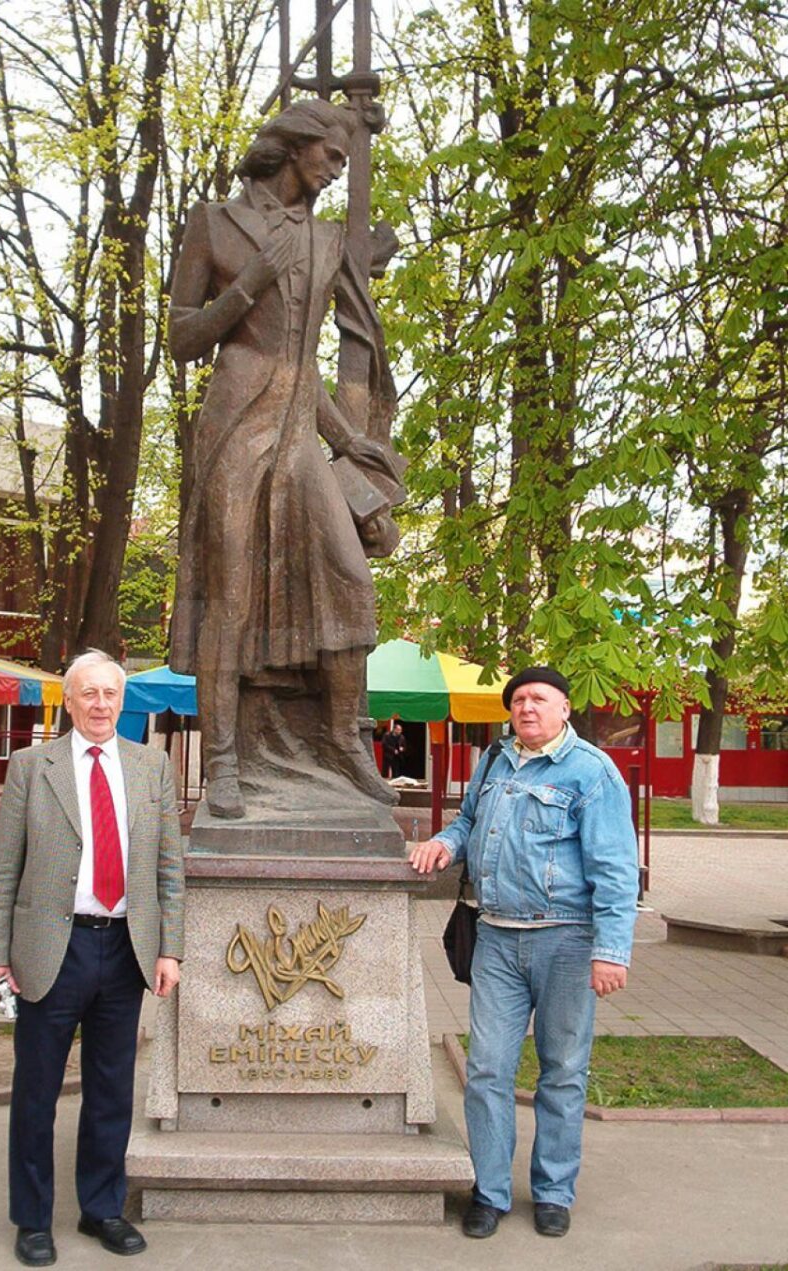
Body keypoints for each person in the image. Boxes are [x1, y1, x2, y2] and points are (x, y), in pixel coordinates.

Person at [167, 98, 400, 819]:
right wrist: (249, 284)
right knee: (231, 590)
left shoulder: (327, 240)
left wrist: (345, 438)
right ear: (295, 147)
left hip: (302, 428)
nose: (337, 169)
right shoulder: (214, 222)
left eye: (343, 160)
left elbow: (308, 359)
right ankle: (226, 760)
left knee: (349, 576)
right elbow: (181, 338)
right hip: (237, 420)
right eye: (331, 155)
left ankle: (339, 741)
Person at [410, 666, 637, 1241]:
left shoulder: (591, 772)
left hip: (567, 940)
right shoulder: (493, 761)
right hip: (496, 939)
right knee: (487, 1069)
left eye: (539, 699)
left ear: (564, 709)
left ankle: (554, 1191)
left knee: (562, 1072)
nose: (526, 708)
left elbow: (614, 868)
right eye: (517, 701)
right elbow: (468, 823)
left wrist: (612, 951)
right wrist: (443, 841)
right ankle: (488, 1193)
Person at [0, 649, 185, 1267]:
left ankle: (101, 1209)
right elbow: (2, 871)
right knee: (37, 1091)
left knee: (110, 1090)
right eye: (88, 694)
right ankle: (33, 1219)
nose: (100, 705)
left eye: (110, 695)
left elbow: (170, 868)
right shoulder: (31, 766)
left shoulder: (152, 766)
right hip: (50, 949)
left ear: (123, 702)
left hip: (125, 949)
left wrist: (169, 948)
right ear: (68, 702)